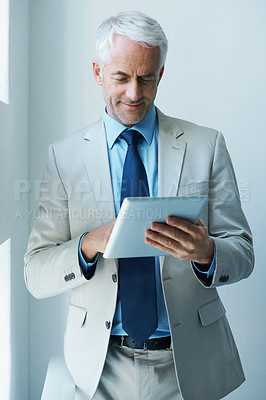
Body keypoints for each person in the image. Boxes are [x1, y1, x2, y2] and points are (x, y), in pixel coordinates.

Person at [24, 10, 254, 400]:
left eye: (146, 78)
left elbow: (243, 252)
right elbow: (35, 271)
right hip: (99, 369)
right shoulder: (63, 158)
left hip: (190, 367)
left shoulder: (206, 145)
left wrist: (206, 252)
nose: (134, 93)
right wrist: (87, 245)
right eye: (121, 77)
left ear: (160, 74)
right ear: (97, 72)